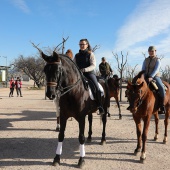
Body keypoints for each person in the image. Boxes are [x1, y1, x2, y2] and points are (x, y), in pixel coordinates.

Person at [73, 38, 104, 115]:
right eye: (80, 44)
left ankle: (100, 106)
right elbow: (73, 65)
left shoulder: (91, 54)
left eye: (83, 44)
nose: (82, 46)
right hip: (79, 74)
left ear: (87, 45)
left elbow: (93, 65)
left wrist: (84, 70)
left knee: (97, 88)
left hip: (89, 74)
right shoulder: (76, 55)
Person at [142, 46, 165, 114]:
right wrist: (142, 76)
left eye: (152, 51)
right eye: (149, 51)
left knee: (161, 88)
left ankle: (162, 106)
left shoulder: (157, 60)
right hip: (146, 76)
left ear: (155, 51)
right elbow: (143, 69)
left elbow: (156, 69)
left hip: (155, 76)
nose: (151, 52)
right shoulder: (145, 60)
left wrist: (151, 76)